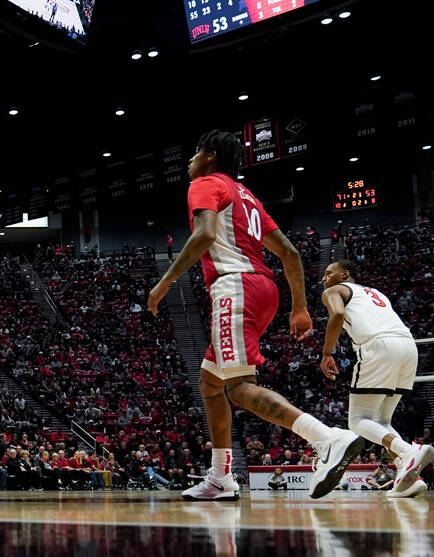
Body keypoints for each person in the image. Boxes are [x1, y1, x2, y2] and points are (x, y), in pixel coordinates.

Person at [148, 130, 361, 501]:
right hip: (264, 289)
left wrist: (165, 281)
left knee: (238, 386)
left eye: (195, 152)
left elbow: (203, 235)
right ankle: (220, 477)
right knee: (211, 383)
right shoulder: (247, 197)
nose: (190, 161)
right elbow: (290, 254)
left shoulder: (204, 183)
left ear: (210, 156)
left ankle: (327, 438)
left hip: (235, 287)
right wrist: (299, 308)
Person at [320, 260, 434, 498]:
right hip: (408, 346)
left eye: (328, 273)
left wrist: (327, 353)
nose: (323, 278)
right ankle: (408, 477)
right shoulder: (375, 292)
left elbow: (338, 314)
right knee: (382, 422)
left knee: (357, 420)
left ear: (345, 274)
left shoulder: (333, 291)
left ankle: (407, 451)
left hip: (378, 345)